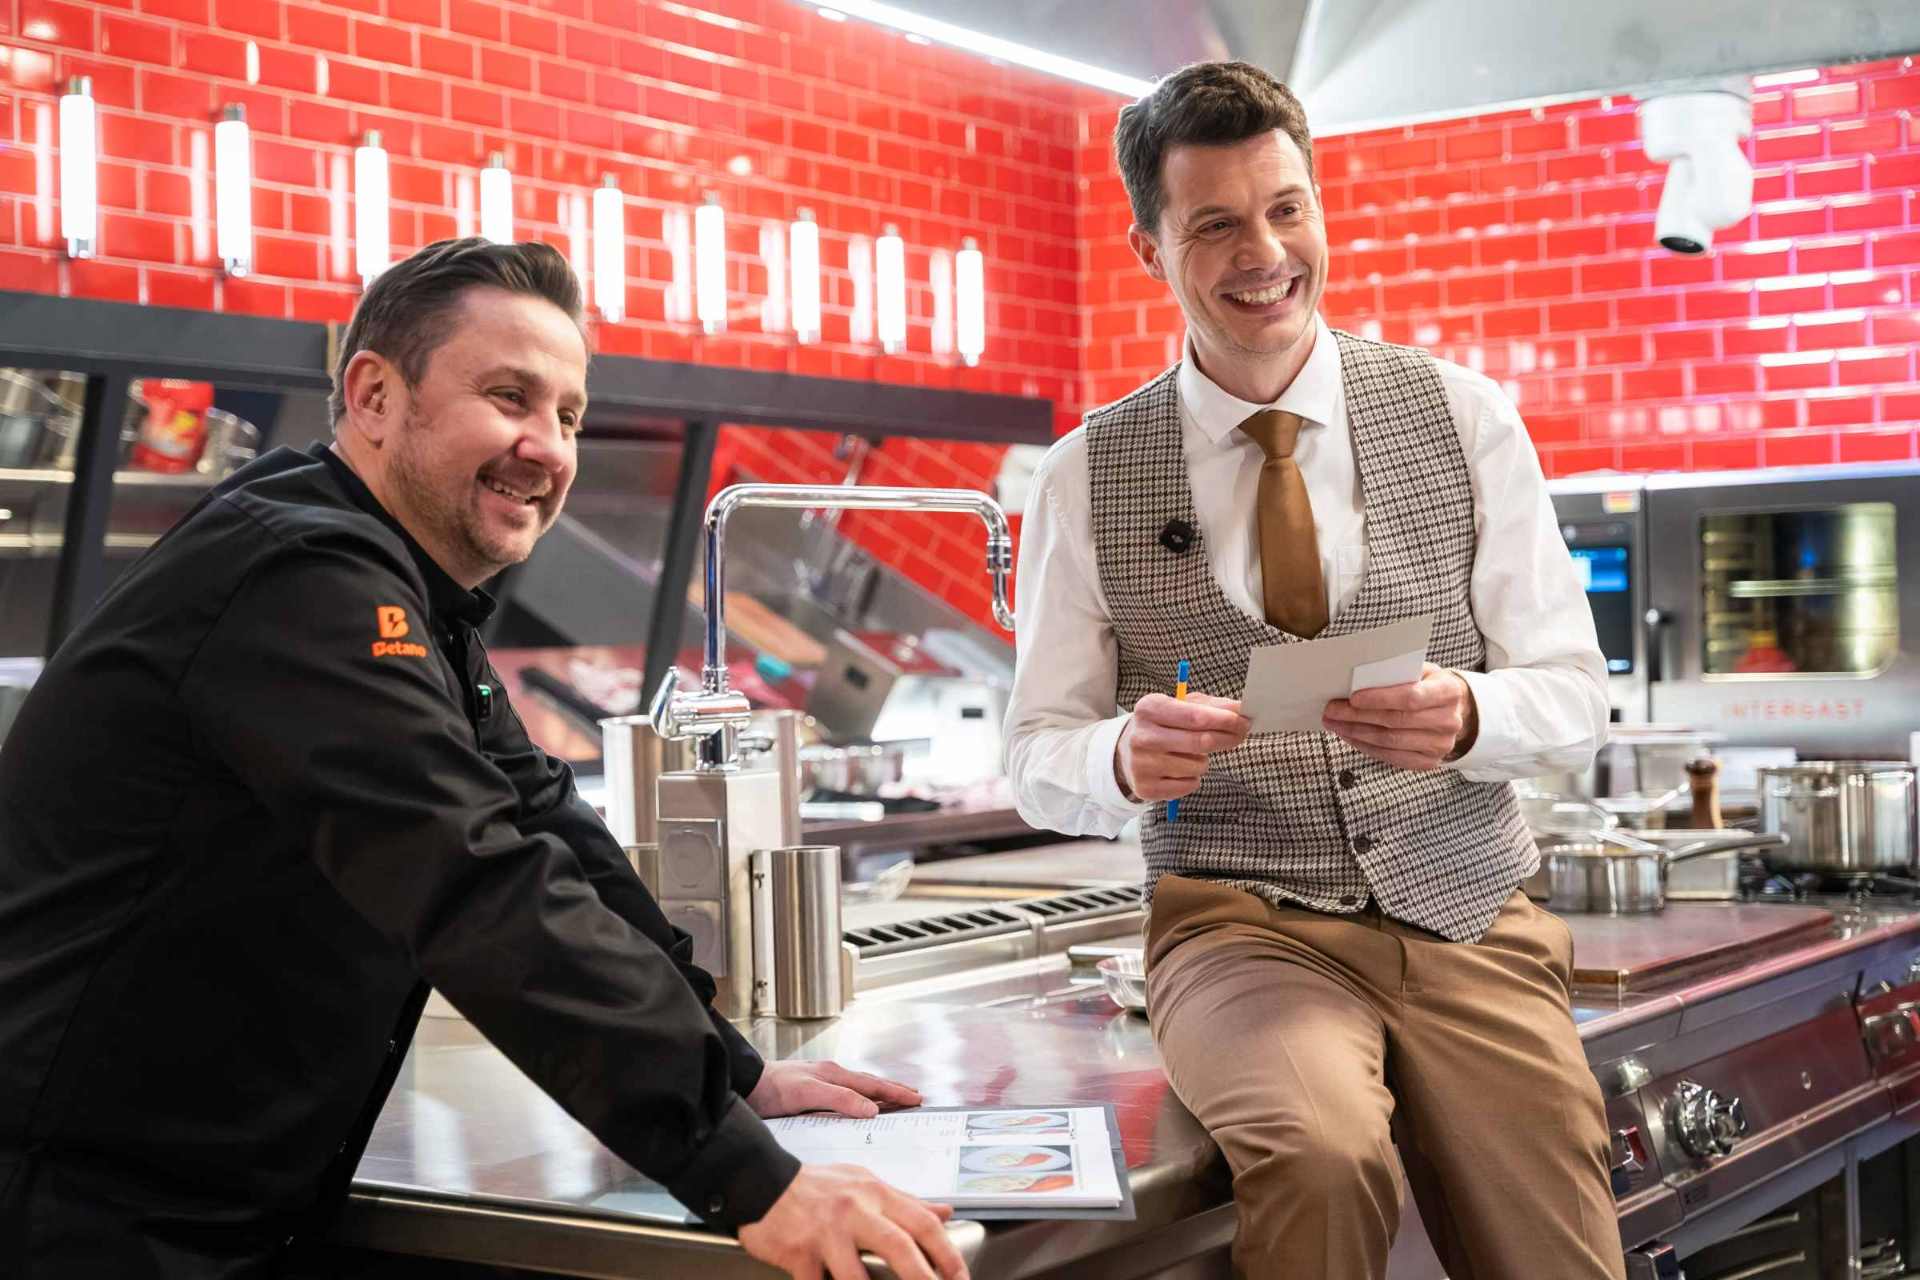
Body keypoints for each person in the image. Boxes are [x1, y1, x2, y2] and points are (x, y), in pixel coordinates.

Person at [0, 238, 966, 1280]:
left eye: (570, 416)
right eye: (510, 397)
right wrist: (749, 1177)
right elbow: (475, 878)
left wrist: (733, 1077)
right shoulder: (301, 574)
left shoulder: (410, 594)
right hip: (80, 1214)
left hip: (210, 1203)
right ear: (374, 395)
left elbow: (546, 826)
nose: (546, 447)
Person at [1004, 62, 1624, 1279]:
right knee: (1320, 1152)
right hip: (1242, 927)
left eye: (1286, 209)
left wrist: (1469, 715)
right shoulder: (1082, 475)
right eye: (1215, 225)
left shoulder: (1465, 416)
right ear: (1149, 249)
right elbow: (1035, 752)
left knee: (1559, 1246)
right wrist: (1120, 756)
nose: (1265, 253)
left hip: (1467, 904)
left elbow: (1575, 691)